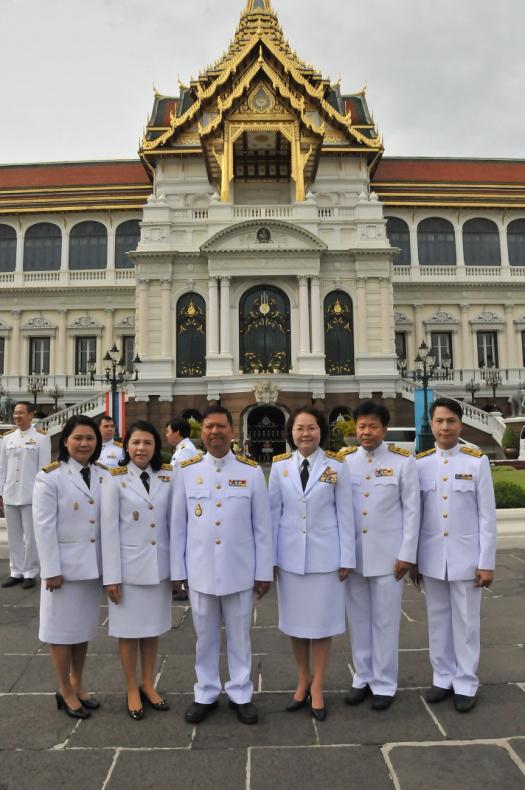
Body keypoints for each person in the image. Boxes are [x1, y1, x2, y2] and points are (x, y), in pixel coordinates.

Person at [171, 405, 273, 725]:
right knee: (205, 636)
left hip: (239, 570)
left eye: (221, 426)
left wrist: (263, 572)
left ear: (232, 431)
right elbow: (178, 525)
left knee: (240, 636)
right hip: (200, 570)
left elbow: (262, 527)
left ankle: (241, 692)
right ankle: (206, 691)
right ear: (201, 432)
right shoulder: (186, 470)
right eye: (209, 427)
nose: (215, 432)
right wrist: (178, 571)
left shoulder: (250, 471)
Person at [269, 407, 355, 721]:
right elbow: (272, 515)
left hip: (325, 557)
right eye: (299, 428)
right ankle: (302, 679)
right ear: (291, 432)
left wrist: (347, 556)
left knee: (320, 626)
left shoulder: (337, 465)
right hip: (290, 558)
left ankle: (317, 685)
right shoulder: (280, 466)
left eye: (311, 427)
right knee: (295, 624)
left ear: (321, 431)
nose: (305, 434)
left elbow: (345, 513)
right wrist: (270, 560)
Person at [415, 397, 496, 713]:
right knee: (437, 620)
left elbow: (487, 517)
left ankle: (465, 682)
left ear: (460, 425)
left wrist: (486, 562)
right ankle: (442, 677)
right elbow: (415, 515)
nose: (445, 427)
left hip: (466, 558)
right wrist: (414, 558)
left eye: (450, 421)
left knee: (466, 622)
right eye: (439, 421)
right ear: (431, 425)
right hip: (432, 557)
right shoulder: (420, 464)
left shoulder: (476, 462)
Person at [340, 400, 420, 711]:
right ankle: (362, 677)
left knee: (386, 622)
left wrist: (407, 554)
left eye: (373, 426)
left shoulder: (402, 461)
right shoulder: (345, 461)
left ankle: (385, 683)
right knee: (358, 621)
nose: (367, 432)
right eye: (362, 426)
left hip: (389, 558)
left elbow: (412, 511)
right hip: (355, 558)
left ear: (384, 429)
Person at [32, 415, 108, 719]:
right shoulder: (50, 476)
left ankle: (77, 683)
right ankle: (63, 689)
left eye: (90, 438)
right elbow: (44, 527)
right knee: (61, 632)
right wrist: (51, 570)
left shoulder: (103, 474)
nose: (84, 443)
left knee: (82, 630)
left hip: (92, 568)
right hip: (62, 571)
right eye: (78, 438)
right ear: (65, 441)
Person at [101, 420, 174, 720]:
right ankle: (132, 687)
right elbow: (108, 530)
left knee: (152, 629)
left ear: (156, 446)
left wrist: (177, 571)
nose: (141, 448)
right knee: (129, 632)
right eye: (135, 442)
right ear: (126, 446)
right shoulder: (114, 478)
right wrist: (111, 577)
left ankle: (148, 683)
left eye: (147, 442)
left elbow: (174, 524)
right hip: (128, 570)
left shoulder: (168, 476)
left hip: (159, 567)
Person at [0, 401, 51, 589]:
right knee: (13, 536)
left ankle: (30, 572)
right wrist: (0, 492)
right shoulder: (7, 438)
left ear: (31, 415)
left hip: (31, 495)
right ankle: (16, 571)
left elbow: (44, 470)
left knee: (31, 537)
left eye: (21, 413)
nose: (17, 416)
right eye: (15, 413)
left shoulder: (41, 438)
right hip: (10, 493)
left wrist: (41, 495)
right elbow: (2, 467)